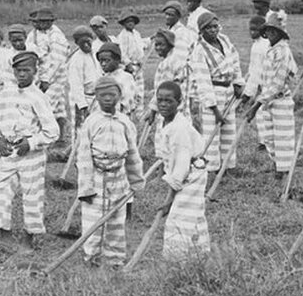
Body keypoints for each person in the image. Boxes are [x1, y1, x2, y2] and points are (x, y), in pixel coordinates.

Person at [0, 51, 59, 247]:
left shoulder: (38, 97)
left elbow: (52, 131)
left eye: (26, 70)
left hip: (31, 155)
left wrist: (32, 143)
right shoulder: (5, 94)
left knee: (32, 195)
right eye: (18, 70)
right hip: (9, 150)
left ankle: (29, 236)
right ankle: (2, 232)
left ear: (35, 72)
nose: (22, 74)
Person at [76, 75, 144, 267]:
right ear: (96, 97)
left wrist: (136, 180)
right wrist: (86, 188)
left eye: (112, 95)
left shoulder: (125, 122)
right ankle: (91, 258)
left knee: (116, 222)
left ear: (119, 96)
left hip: (119, 178)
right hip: (97, 177)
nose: (108, 99)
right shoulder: (91, 122)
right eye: (103, 95)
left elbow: (132, 154)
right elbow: (83, 158)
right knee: (93, 223)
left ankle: (115, 260)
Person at [154, 81, 209, 259]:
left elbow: (181, 166)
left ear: (179, 102)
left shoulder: (179, 128)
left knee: (178, 217)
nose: (163, 104)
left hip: (191, 174)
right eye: (160, 100)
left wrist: (169, 199)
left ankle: (176, 261)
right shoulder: (166, 123)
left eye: (168, 101)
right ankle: (198, 256)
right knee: (192, 215)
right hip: (187, 171)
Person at [189, 13, 244, 172]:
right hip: (213, 92)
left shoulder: (224, 40)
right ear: (201, 31)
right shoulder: (199, 50)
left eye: (215, 26)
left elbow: (235, 61)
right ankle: (211, 168)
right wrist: (214, 109)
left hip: (228, 91)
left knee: (229, 129)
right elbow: (202, 81)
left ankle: (227, 166)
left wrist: (238, 83)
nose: (213, 30)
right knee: (212, 133)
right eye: (209, 28)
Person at [244, 15, 298, 177]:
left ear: (281, 33)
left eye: (275, 31)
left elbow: (277, 83)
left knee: (283, 138)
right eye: (268, 30)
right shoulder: (270, 49)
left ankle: (284, 171)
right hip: (266, 99)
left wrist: (255, 105)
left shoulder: (282, 51)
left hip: (279, 99)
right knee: (268, 137)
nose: (271, 33)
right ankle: (277, 165)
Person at [27, 7, 70, 142]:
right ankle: (59, 137)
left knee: (46, 105)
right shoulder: (34, 34)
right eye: (39, 22)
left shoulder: (57, 36)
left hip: (56, 76)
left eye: (45, 22)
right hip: (40, 73)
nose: (41, 24)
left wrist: (47, 80)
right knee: (58, 107)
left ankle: (48, 136)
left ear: (50, 22)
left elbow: (57, 60)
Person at [146, 29, 193, 124]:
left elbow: (164, 89)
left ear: (170, 45)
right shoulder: (176, 60)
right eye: (156, 45)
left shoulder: (168, 63)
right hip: (180, 108)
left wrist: (152, 111)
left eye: (161, 45)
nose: (158, 48)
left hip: (170, 111)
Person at [66, 25, 101, 125]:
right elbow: (75, 85)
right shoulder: (76, 59)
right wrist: (82, 106)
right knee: (81, 128)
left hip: (96, 97)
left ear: (92, 39)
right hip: (83, 99)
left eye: (88, 41)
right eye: (82, 43)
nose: (86, 45)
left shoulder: (95, 54)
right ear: (77, 43)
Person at [115, 10, 148, 107]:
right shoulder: (122, 36)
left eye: (132, 21)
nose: (130, 23)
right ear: (123, 23)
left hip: (139, 66)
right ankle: (130, 110)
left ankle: (139, 110)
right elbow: (122, 53)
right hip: (130, 67)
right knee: (130, 90)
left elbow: (141, 45)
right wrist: (128, 65)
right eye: (128, 21)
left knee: (140, 91)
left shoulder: (136, 34)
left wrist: (151, 39)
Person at [95, 41, 138, 116]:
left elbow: (127, 103)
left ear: (117, 60)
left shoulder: (125, 78)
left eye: (107, 60)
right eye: (101, 61)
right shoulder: (102, 78)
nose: (103, 64)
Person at [241, 15, 269, 120]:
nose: (252, 32)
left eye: (255, 30)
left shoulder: (263, 45)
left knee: (262, 119)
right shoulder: (256, 44)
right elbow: (252, 70)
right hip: (258, 87)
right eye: (251, 29)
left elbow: (257, 73)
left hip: (264, 89)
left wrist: (247, 94)